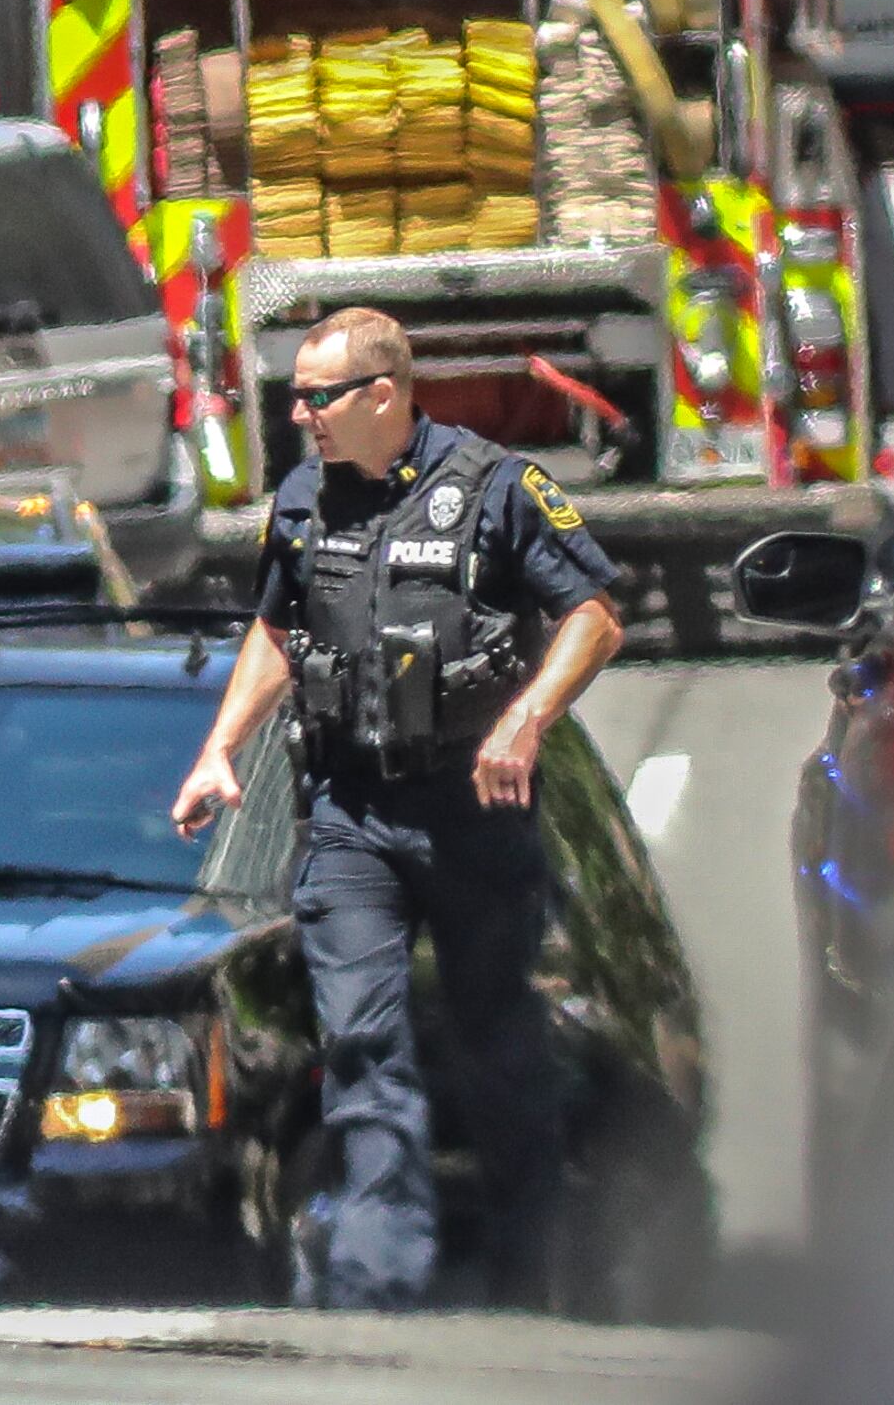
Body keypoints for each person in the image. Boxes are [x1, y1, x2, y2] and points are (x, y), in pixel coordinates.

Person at [171, 305, 625, 1308]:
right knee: (363, 1044)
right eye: (296, 394)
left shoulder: (499, 488)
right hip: (350, 812)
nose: (302, 413)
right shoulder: (302, 499)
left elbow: (594, 617)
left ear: (384, 392)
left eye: (319, 395)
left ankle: (532, 1269)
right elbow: (278, 632)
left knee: (496, 1038)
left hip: (473, 807)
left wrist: (528, 718)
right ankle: (384, 1292)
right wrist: (220, 747)